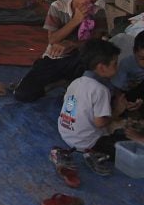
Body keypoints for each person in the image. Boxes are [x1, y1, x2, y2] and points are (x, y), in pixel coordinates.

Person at [14, 0, 109, 103]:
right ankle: (60, 82)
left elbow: (96, 43)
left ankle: (69, 82)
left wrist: (73, 44)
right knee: (23, 94)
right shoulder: (58, 7)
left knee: (89, 64)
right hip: (55, 58)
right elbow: (53, 39)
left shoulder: (98, 12)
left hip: (79, 60)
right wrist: (76, 20)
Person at [57, 39, 137, 175]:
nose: (117, 67)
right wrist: (117, 111)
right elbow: (100, 123)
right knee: (128, 147)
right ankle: (93, 154)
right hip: (87, 142)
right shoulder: (100, 90)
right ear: (101, 68)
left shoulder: (76, 82)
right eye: (115, 64)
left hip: (66, 133)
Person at [111, 30, 144, 108]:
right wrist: (122, 101)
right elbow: (117, 87)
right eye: (142, 58)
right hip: (129, 90)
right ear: (134, 52)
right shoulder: (126, 64)